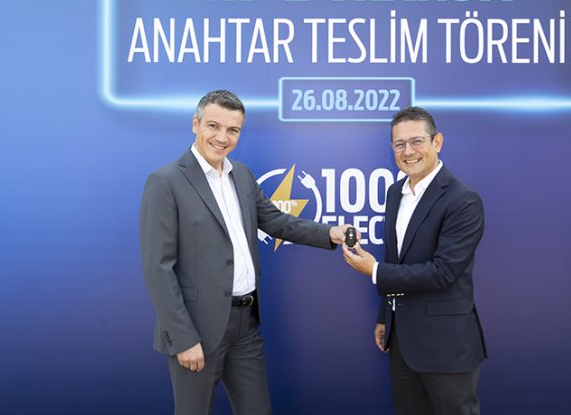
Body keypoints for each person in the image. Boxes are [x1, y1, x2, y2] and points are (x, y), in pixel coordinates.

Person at [140, 89, 350, 415]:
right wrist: (183, 338)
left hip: (245, 325)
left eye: (233, 130)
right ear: (195, 124)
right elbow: (158, 268)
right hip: (196, 328)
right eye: (213, 126)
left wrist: (329, 233)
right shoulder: (165, 182)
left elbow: (277, 221)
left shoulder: (242, 175)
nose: (222, 137)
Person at [342, 106, 487, 415]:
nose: (408, 151)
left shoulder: (463, 200)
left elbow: (443, 273)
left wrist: (374, 270)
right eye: (399, 144)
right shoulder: (395, 193)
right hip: (402, 344)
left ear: (437, 142)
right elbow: (396, 258)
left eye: (417, 141)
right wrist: (386, 316)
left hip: (446, 348)